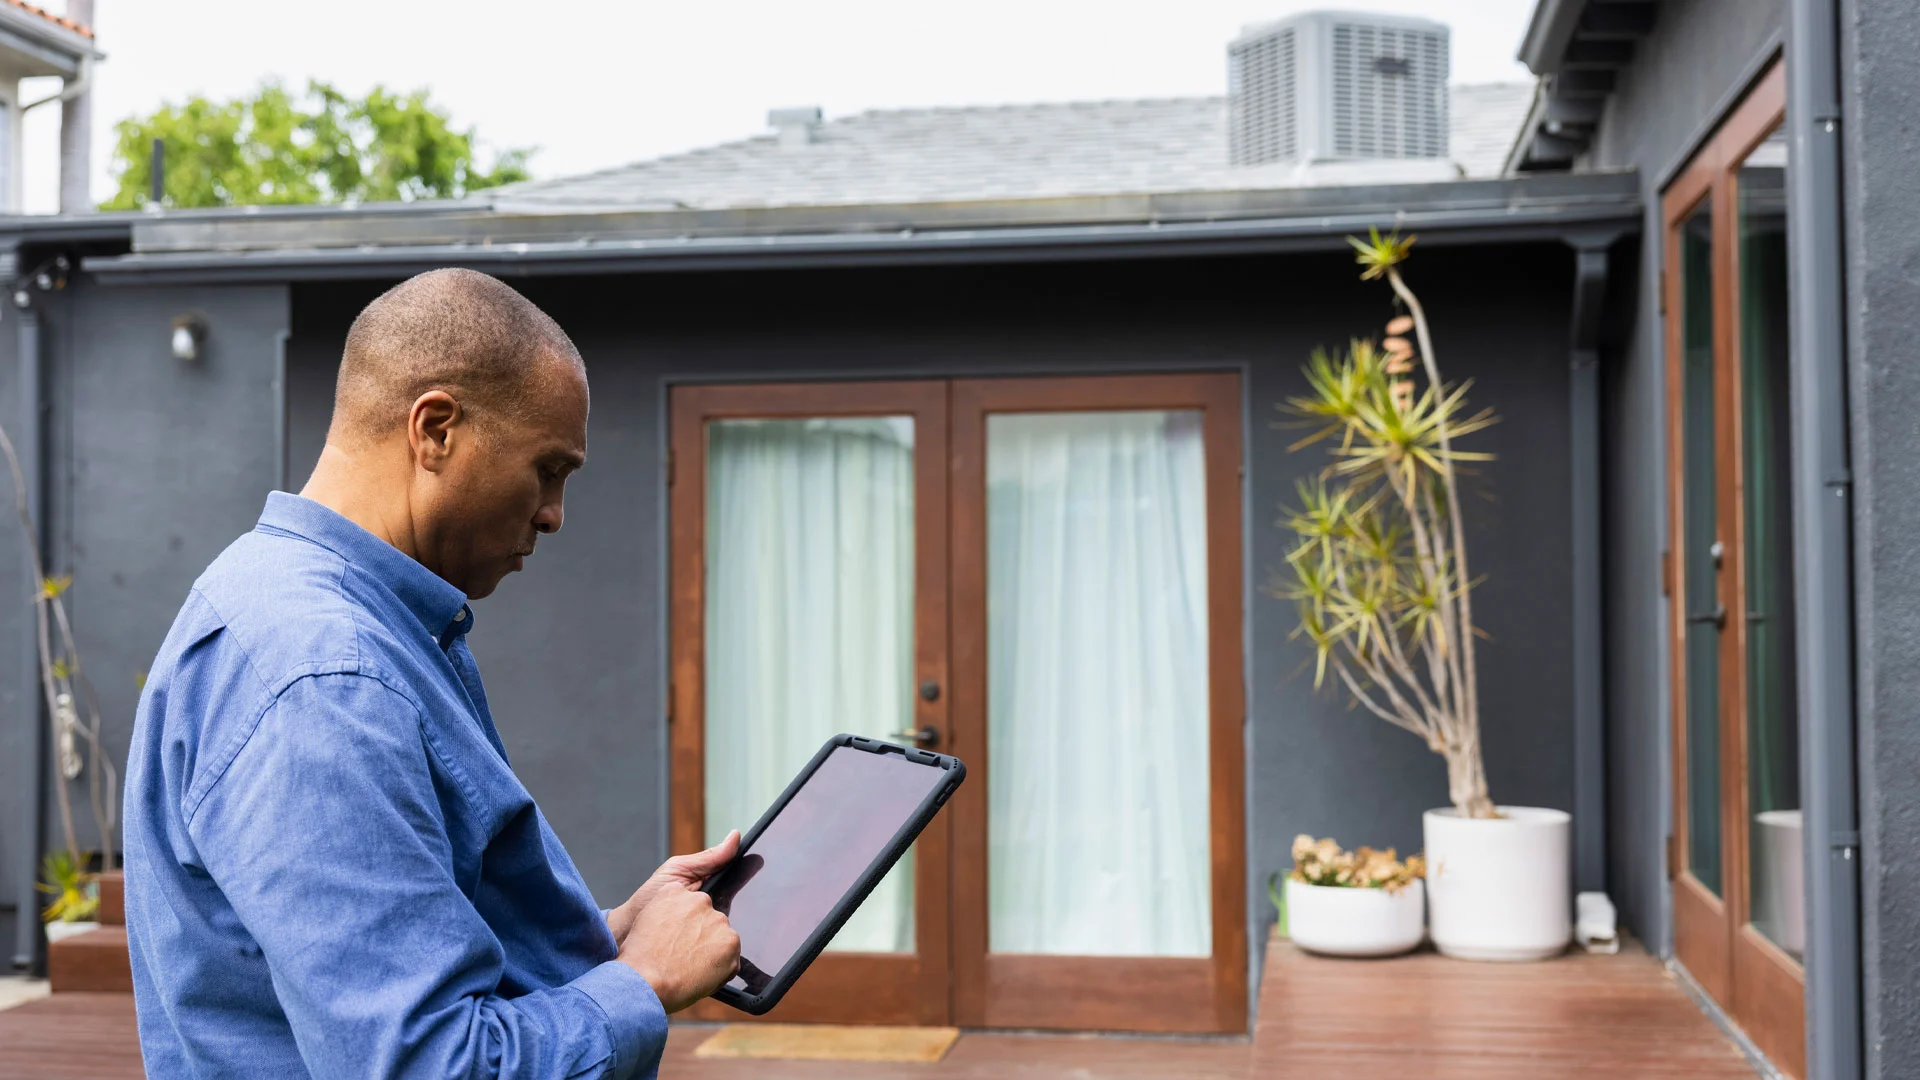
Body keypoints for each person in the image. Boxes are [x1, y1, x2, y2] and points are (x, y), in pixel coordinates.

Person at [122, 269, 740, 1079]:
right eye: (549, 469)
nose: (554, 512)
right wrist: (644, 981)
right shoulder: (325, 680)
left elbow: (394, 948)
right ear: (436, 430)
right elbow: (425, 1063)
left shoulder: (311, 613)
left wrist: (613, 932)